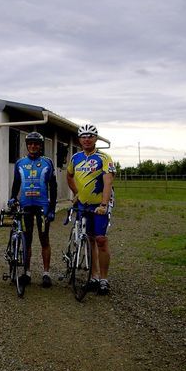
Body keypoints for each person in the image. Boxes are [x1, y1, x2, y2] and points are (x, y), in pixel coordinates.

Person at [66, 123, 116, 295]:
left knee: (101, 240)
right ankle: (93, 276)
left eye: (90, 136)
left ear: (95, 138)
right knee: (89, 239)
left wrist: (103, 204)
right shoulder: (75, 158)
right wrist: (77, 193)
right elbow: (69, 176)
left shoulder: (104, 158)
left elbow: (108, 181)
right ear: (79, 139)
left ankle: (104, 279)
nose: (87, 139)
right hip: (83, 205)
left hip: (99, 206)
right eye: (83, 137)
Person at [8, 132, 57, 288]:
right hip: (25, 205)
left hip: (42, 206)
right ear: (27, 145)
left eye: (36, 144)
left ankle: (46, 273)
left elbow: (53, 187)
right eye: (30, 143)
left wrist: (52, 208)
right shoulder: (20, 163)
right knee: (26, 240)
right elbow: (16, 183)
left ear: (40, 146)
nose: (33, 146)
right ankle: (27, 272)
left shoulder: (47, 162)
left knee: (44, 239)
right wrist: (12, 198)